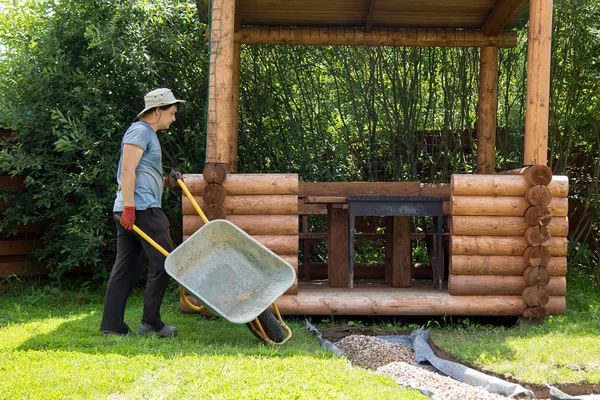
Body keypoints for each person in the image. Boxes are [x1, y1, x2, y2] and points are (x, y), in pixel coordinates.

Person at [100, 88, 186, 336]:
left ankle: (112, 326)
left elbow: (143, 174)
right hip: (141, 210)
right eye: (171, 112)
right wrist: (129, 208)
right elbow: (128, 171)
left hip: (135, 207)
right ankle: (151, 323)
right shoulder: (139, 131)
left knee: (127, 268)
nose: (173, 118)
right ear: (157, 110)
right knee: (165, 262)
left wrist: (168, 182)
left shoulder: (146, 134)